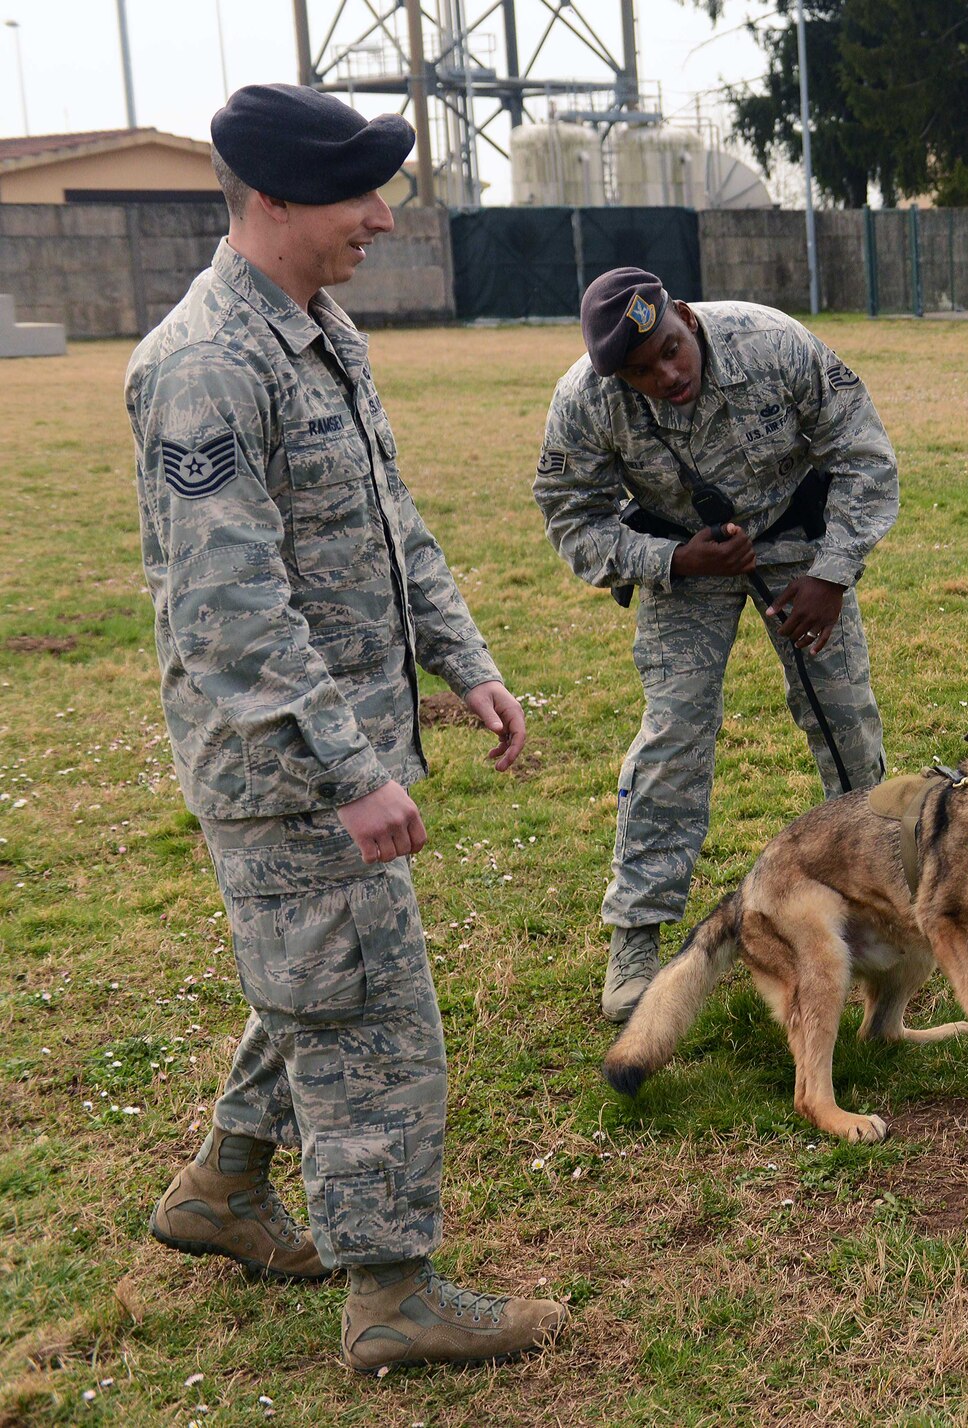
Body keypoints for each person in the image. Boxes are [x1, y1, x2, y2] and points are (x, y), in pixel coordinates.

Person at [130, 83, 567, 1372]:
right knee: (373, 1017)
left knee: (317, 978)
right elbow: (233, 613)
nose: (382, 216)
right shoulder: (206, 363)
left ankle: (219, 1189)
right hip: (291, 772)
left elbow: (387, 520)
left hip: (344, 749)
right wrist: (354, 772)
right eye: (357, 194)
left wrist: (464, 660)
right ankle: (391, 1295)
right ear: (270, 198)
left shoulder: (314, 327)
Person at [535, 268, 898, 1022]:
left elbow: (864, 457)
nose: (667, 374)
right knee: (673, 732)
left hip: (800, 544)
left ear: (688, 318)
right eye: (642, 371)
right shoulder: (586, 400)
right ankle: (635, 941)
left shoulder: (773, 344)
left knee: (846, 720)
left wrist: (831, 575)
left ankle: (883, 903)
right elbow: (572, 519)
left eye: (670, 348)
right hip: (683, 557)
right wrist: (670, 561)